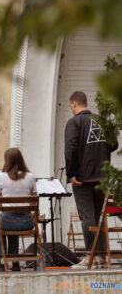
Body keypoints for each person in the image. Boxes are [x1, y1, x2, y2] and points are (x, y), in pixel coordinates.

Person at [65, 91, 118, 269]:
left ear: (73, 104)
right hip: (102, 178)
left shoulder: (74, 122)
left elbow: (70, 148)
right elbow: (115, 144)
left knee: (87, 217)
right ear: (85, 103)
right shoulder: (104, 121)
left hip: (83, 179)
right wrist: (98, 153)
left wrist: (72, 173)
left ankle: (90, 257)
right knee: (99, 218)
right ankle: (101, 257)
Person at [0, 148, 37, 272]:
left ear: (7, 160)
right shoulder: (30, 177)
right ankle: (15, 263)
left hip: (8, 221)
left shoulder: (1, 177)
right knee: (12, 223)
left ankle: (1, 261)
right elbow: (34, 199)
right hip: (27, 222)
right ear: (21, 159)